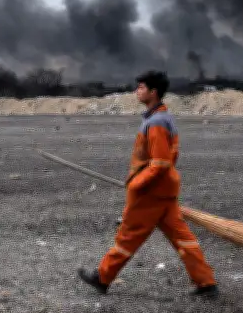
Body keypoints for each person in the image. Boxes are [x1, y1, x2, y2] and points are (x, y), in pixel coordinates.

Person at [77, 70, 219, 298]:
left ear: (153, 92)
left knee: (128, 236)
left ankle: (102, 278)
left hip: (149, 193)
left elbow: (160, 163)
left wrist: (136, 184)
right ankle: (206, 283)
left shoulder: (156, 123)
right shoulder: (163, 118)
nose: (137, 91)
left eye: (141, 87)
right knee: (183, 238)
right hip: (164, 191)